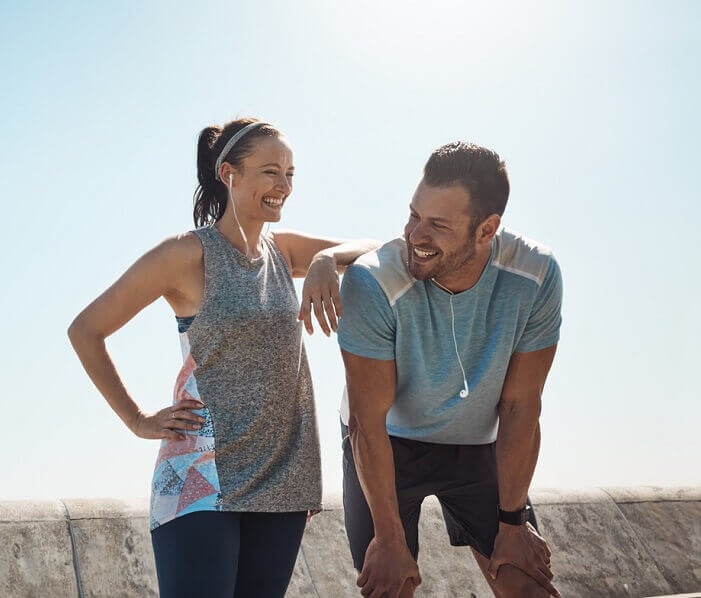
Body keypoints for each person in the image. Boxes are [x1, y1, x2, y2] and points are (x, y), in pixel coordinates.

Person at [68, 118, 377, 598]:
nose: (284, 186)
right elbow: (86, 330)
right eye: (270, 171)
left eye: (291, 173)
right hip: (203, 476)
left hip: (283, 475)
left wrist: (323, 260)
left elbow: (382, 252)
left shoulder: (285, 251)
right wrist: (138, 419)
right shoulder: (185, 255)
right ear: (229, 173)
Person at [337, 141, 563, 598]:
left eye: (438, 225)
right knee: (390, 583)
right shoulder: (372, 282)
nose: (416, 235)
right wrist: (388, 537)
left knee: (529, 587)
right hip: (386, 444)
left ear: (487, 229)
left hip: (477, 446)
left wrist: (512, 522)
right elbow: (368, 422)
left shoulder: (535, 275)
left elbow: (521, 406)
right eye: (413, 215)